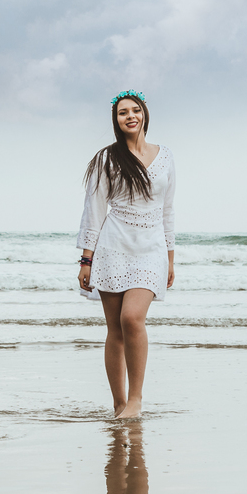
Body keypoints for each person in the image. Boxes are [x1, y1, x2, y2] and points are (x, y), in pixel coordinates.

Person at [77, 90, 176, 419]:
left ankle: (136, 399)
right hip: (112, 247)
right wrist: (86, 260)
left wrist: (171, 258)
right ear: (116, 120)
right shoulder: (107, 159)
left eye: (135, 110)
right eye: (122, 113)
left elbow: (168, 210)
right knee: (115, 329)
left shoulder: (165, 157)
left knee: (132, 318)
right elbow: (93, 210)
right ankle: (119, 404)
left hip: (151, 250)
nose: (129, 116)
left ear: (144, 114)